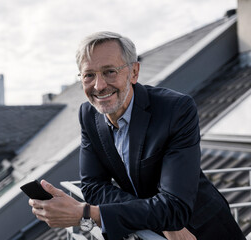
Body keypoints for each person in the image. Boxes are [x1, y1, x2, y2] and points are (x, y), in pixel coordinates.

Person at [28, 31, 245, 240]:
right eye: (89, 75)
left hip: (203, 230)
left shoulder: (175, 109)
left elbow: (175, 208)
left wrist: (87, 213)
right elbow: (93, 186)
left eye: (109, 71)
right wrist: (160, 218)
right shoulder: (88, 115)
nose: (99, 85)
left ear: (134, 72)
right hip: (156, 231)